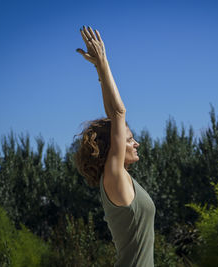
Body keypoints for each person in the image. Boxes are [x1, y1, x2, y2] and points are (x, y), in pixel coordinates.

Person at [74, 25, 156, 267]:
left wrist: (100, 72)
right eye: (129, 139)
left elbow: (114, 116)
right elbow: (118, 113)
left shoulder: (120, 178)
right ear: (115, 147)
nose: (135, 143)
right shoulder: (114, 175)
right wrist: (102, 63)